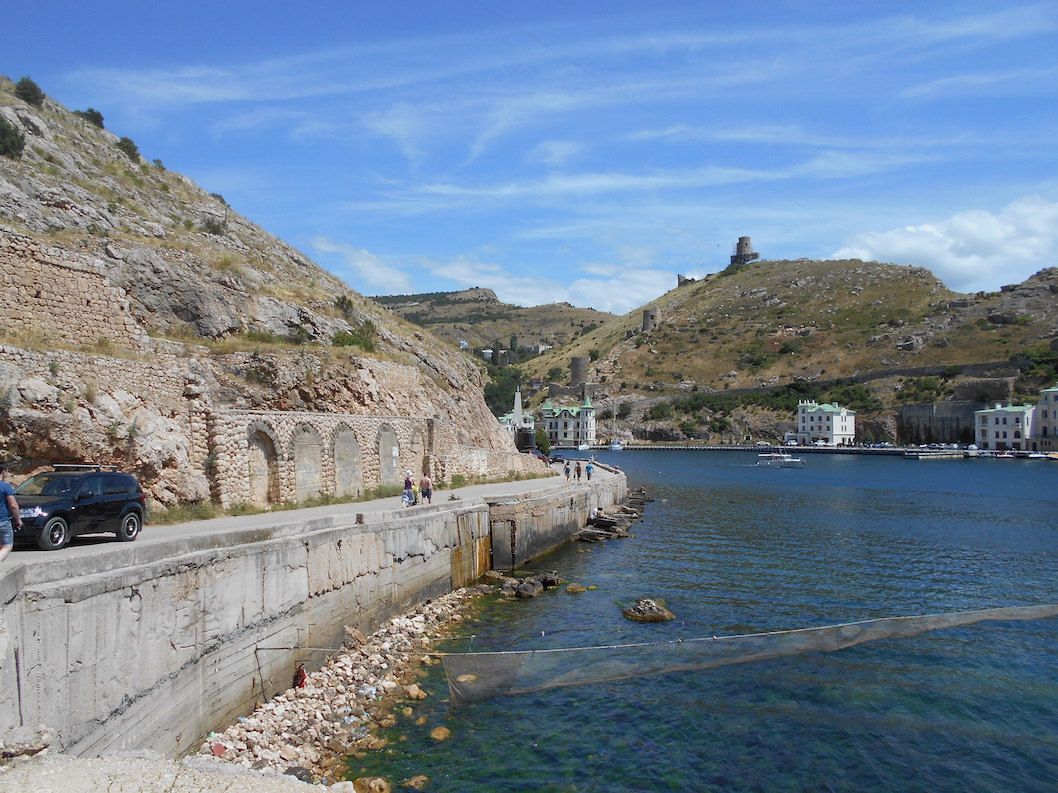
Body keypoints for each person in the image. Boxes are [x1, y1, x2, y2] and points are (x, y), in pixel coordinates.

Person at [0, 463, 21, 564]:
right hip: (2, 521)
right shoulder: (5, 486)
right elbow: (13, 505)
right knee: (7, 545)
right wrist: (18, 520)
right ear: (3, 471)